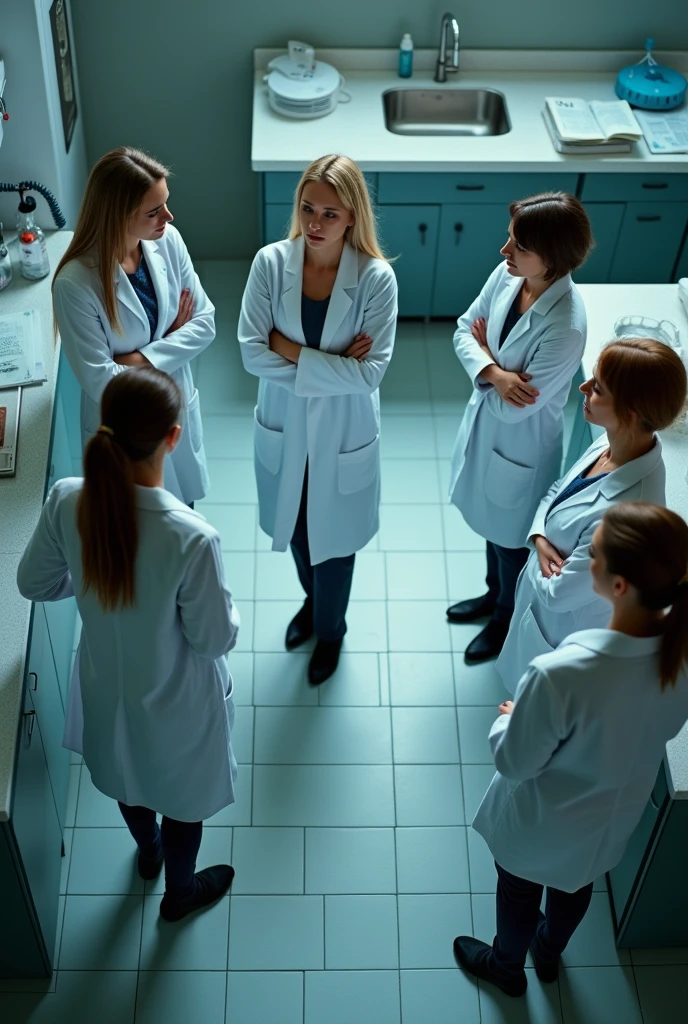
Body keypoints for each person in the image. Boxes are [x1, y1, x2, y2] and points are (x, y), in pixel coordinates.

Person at [17, 368, 239, 923]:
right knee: (183, 802)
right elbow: (213, 639)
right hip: (177, 701)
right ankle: (181, 892)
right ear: (172, 437)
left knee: (128, 777)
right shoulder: (191, 536)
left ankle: (148, 853)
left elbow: (33, 584)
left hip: (106, 685)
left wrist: (90, 586)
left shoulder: (68, 500)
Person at [454, 501, 688, 997]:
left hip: (546, 818)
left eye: (594, 555)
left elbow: (513, 758)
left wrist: (511, 718)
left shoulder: (563, 672)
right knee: (575, 884)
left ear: (618, 586)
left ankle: (505, 966)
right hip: (608, 820)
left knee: (519, 889)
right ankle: (549, 949)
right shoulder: (678, 657)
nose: (585, 558)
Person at [238, 154, 398, 685]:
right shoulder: (269, 263)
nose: (315, 223)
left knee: (336, 543)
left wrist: (288, 349)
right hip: (284, 426)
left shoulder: (376, 279)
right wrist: (331, 367)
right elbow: (249, 354)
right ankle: (314, 606)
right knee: (299, 531)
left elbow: (369, 375)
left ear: (352, 216)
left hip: (344, 435)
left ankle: (331, 632)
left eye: (330, 214)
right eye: (308, 208)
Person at [446, 192, 592, 664]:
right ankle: (492, 598)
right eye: (509, 240)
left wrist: (485, 355)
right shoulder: (510, 275)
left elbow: (515, 411)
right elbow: (463, 328)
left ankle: (503, 616)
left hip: (522, 449)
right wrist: (498, 374)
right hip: (489, 432)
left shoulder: (566, 324)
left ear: (549, 258)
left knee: (510, 545)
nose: (503, 252)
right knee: (492, 534)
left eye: (517, 246)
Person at [498, 337, 687, 694]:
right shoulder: (615, 441)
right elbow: (557, 492)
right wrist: (540, 539)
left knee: (534, 717)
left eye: (597, 388)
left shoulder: (624, 514)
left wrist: (540, 555)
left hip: (559, 637)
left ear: (630, 412)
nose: (583, 387)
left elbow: (558, 594)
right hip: (538, 607)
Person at [52, 146, 215, 507]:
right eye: (154, 212)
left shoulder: (167, 241)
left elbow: (205, 324)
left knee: (181, 515)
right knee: (138, 534)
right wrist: (172, 338)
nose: (169, 218)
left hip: (173, 415)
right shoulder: (76, 284)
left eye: (166, 204)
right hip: (125, 432)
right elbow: (100, 380)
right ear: (117, 216)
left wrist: (136, 359)